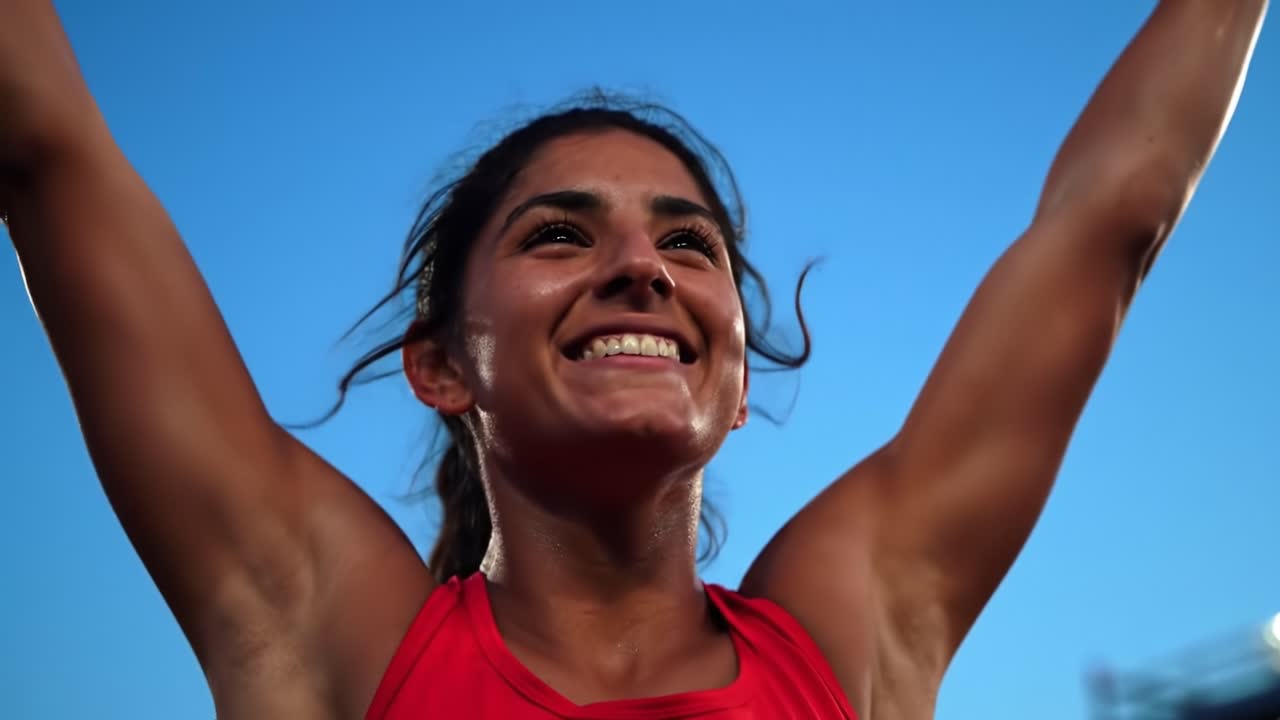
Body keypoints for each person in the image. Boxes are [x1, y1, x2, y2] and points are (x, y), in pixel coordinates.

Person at [0, 1, 1269, 718]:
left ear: (732, 383)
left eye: (687, 243)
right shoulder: (337, 641)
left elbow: (1112, 215)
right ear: (440, 366)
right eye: (560, 233)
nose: (641, 269)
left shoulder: (844, 640)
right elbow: (44, 146)